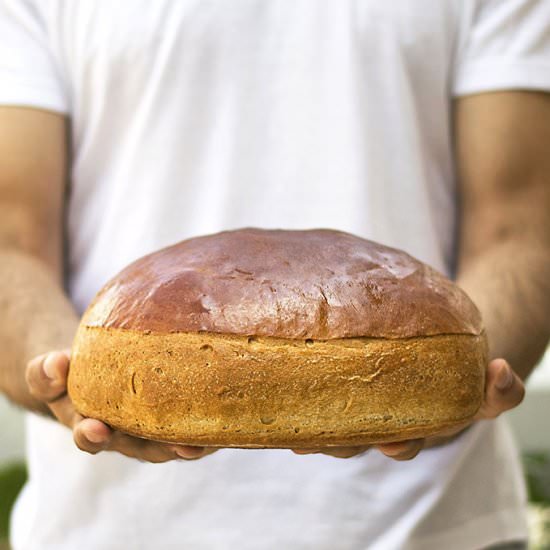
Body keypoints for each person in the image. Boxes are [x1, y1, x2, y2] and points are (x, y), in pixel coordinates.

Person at [1, 1, 549, 548]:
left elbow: (520, 225)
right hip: (107, 526)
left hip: (434, 523)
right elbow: (11, 236)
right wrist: (62, 370)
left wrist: (464, 379)